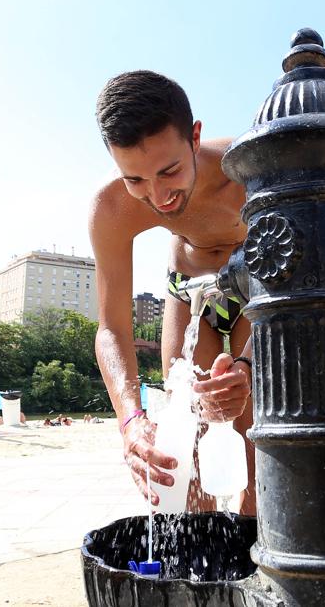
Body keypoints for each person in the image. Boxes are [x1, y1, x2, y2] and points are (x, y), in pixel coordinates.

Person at [90, 71, 254, 514]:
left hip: (259, 289)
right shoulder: (112, 206)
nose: (158, 196)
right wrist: (130, 421)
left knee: (254, 442)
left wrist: (247, 365)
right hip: (190, 289)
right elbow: (111, 329)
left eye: (170, 171)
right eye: (136, 179)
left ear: (194, 136)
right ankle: (198, 572)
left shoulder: (251, 170)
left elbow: (300, 274)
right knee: (184, 452)